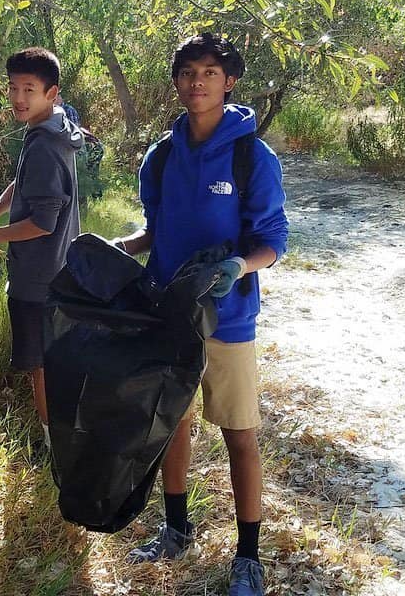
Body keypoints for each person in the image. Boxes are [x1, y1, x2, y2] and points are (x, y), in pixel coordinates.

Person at [112, 33, 288, 596]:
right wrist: (123, 247)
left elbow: (273, 239)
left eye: (209, 72)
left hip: (228, 320)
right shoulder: (161, 156)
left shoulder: (250, 156)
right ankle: (176, 527)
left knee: (240, 434)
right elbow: (155, 228)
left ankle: (249, 556)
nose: (197, 82)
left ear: (229, 80)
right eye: (187, 72)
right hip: (169, 314)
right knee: (172, 427)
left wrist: (239, 265)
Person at [0, 47, 83, 456]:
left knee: (42, 367)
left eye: (29, 89)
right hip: (56, 270)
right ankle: (63, 437)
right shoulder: (49, 129)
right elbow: (25, 183)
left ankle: (56, 448)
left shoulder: (46, 145)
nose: (18, 97)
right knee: (50, 363)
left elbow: (43, 221)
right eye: (13, 88)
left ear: (51, 92)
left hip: (40, 279)